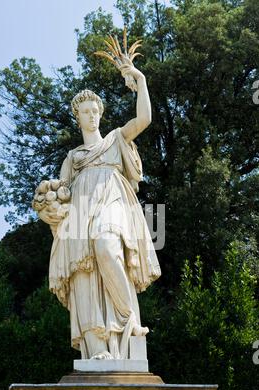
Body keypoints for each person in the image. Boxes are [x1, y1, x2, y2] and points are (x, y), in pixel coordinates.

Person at [34, 61, 161, 360]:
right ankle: (98, 348)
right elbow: (60, 195)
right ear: (77, 118)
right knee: (84, 274)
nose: (91, 116)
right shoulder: (73, 156)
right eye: (85, 112)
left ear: (100, 114)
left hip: (112, 200)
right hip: (80, 214)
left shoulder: (115, 139)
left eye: (95, 111)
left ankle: (129, 318)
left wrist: (140, 80)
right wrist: (45, 203)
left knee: (106, 247)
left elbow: (143, 118)